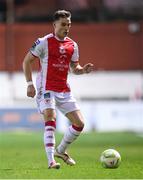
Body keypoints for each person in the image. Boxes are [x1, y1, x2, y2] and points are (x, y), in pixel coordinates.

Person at [23, 10, 94, 169]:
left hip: (63, 89)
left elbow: (74, 68)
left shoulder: (72, 45)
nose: (67, 27)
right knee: (50, 116)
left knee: (80, 123)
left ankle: (61, 151)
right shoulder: (43, 42)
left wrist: (83, 70)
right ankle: (51, 161)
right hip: (46, 87)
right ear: (54, 25)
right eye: (63, 24)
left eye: (69, 24)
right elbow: (26, 61)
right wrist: (29, 84)